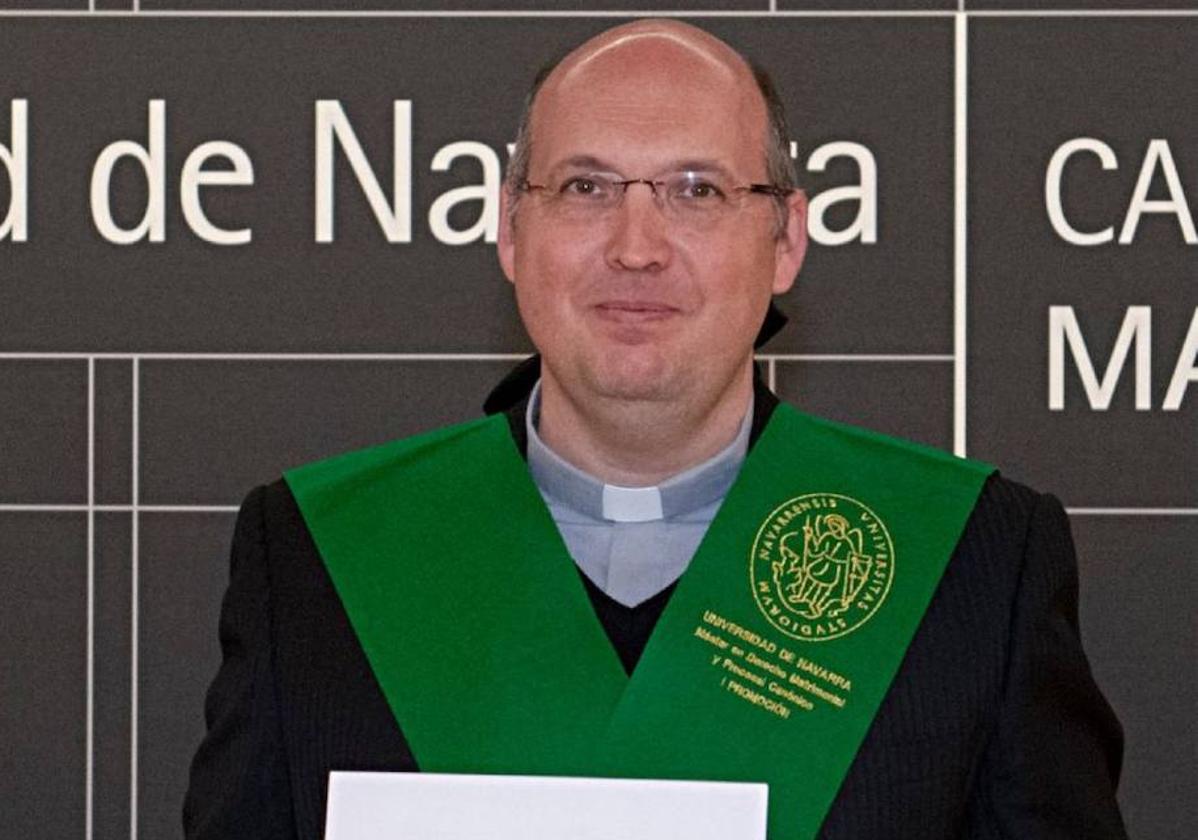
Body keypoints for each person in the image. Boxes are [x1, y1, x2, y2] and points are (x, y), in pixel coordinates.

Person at [183, 19, 1127, 840]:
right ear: (512, 232)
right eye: (586, 188)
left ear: (787, 240)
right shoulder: (316, 557)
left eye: (697, 190)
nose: (636, 247)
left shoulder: (973, 561)